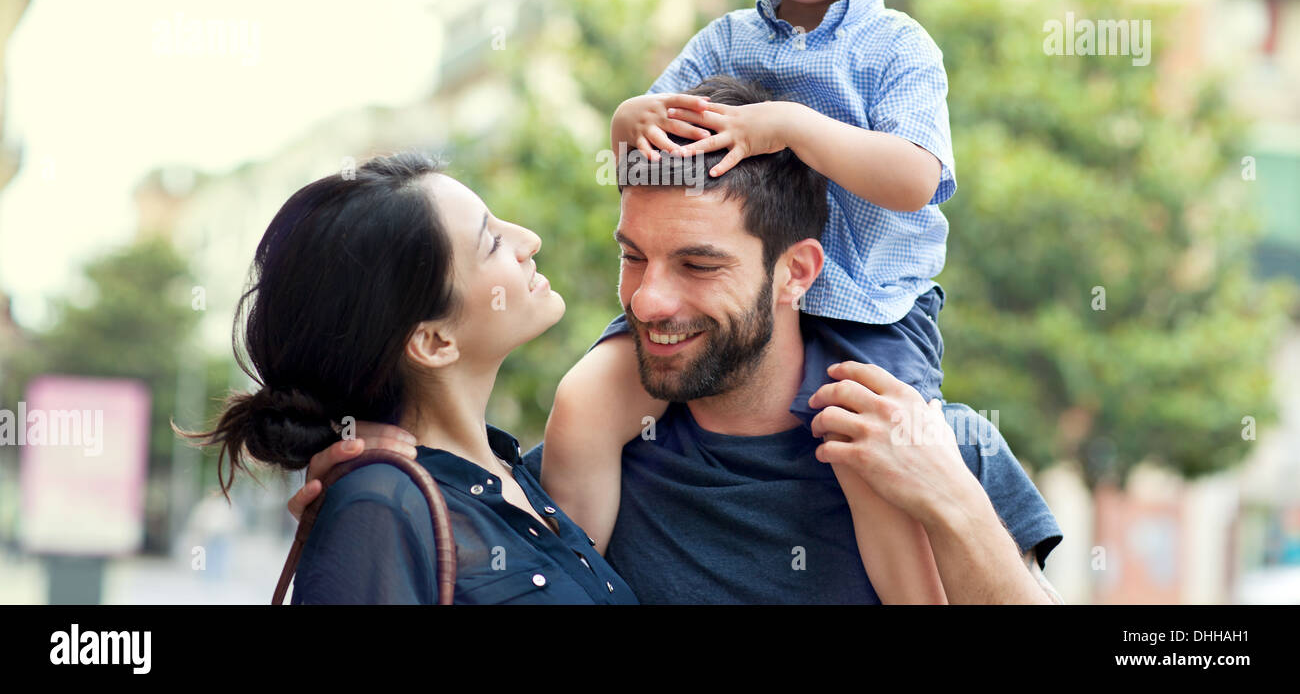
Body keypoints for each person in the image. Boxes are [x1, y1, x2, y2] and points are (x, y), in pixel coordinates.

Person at [298, 77, 1064, 604]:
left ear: (796, 273)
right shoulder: (576, 477)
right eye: (632, 256)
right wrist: (379, 492)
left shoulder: (950, 448)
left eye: (698, 264)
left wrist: (954, 503)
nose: (648, 299)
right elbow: (453, 533)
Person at [542, 0, 957, 602]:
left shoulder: (898, 47)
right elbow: (645, 151)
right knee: (584, 398)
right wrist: (630, 117)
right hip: (721, 292)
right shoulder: (724, 40)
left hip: (871, 304)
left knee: (883, 459)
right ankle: (570, 580)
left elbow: (914, 177)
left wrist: (793, 127)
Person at [183, 152, 635, 605]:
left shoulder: (513, 478)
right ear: (434, 341)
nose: (529, 240)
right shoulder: (379, 505)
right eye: (492, 242)